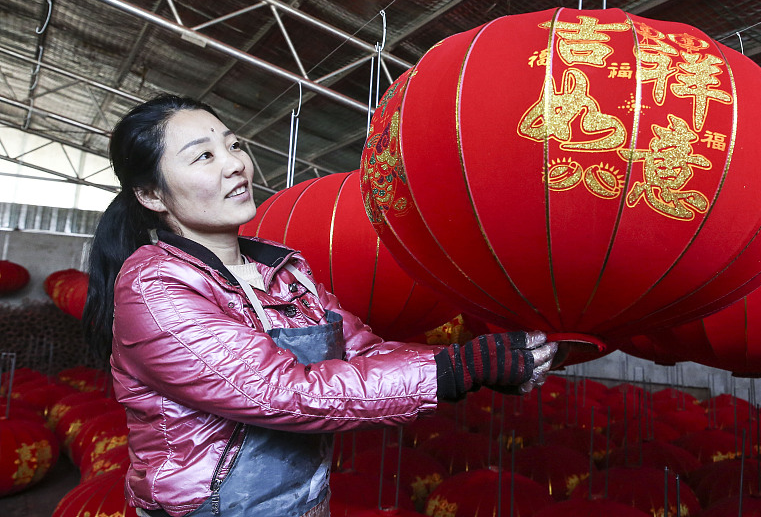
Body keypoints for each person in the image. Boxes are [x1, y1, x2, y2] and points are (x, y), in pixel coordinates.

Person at [83, 95, 557, 517]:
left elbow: (363, 352)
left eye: (233, 145)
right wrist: (453, 371)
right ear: (150, 195)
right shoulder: (155, 287)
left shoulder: (285, 271)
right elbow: (281, 392)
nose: (235, 165)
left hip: (304, 503)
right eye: (204, 157)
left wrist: (484, 366)